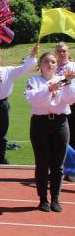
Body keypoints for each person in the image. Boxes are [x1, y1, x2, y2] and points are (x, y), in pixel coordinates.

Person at [24, 51, 75, 212]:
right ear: (40, 64)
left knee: (58, 165)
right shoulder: (33, 81)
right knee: (42, 163)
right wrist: (48, 89)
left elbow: (70, 99)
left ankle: (55, 199)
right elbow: (31, 99)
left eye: (53, 62)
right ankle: (43, 199)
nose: (50, 64)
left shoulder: (62, 80)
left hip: (60, 123)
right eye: (46, 61)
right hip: (40, 124)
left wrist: (68, 82)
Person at [54, 42, 75, 181]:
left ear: (68, 51)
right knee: (60, 140)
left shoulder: (73, 66)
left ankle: (71, 170)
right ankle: (60, 169)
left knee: (73, 137)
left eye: (64, 51)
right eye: (59, 51)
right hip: (58, 106)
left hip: (73, 105)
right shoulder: (52, 67)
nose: (62, 53)